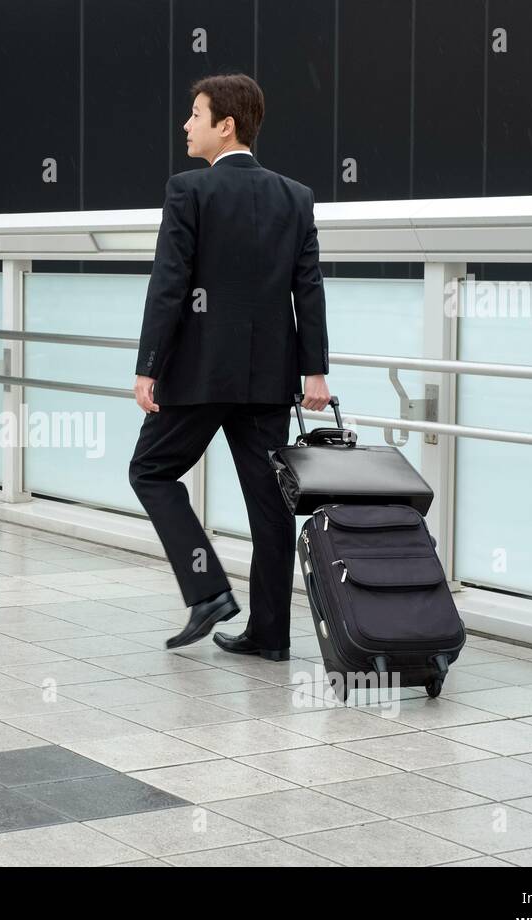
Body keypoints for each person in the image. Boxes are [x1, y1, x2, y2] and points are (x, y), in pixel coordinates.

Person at [128, 73, 331, 661]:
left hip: (197, 375)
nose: (185, 125)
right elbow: (307, 288)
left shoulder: (188, 190)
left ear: (226, 125)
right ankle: (270, 635)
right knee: (270, 506)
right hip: (270, 378)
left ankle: (207, 588)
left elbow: (169, 286)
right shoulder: (295, 196)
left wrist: (148, 366)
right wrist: (314, 370)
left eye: (195, 114)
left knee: (151, 471)